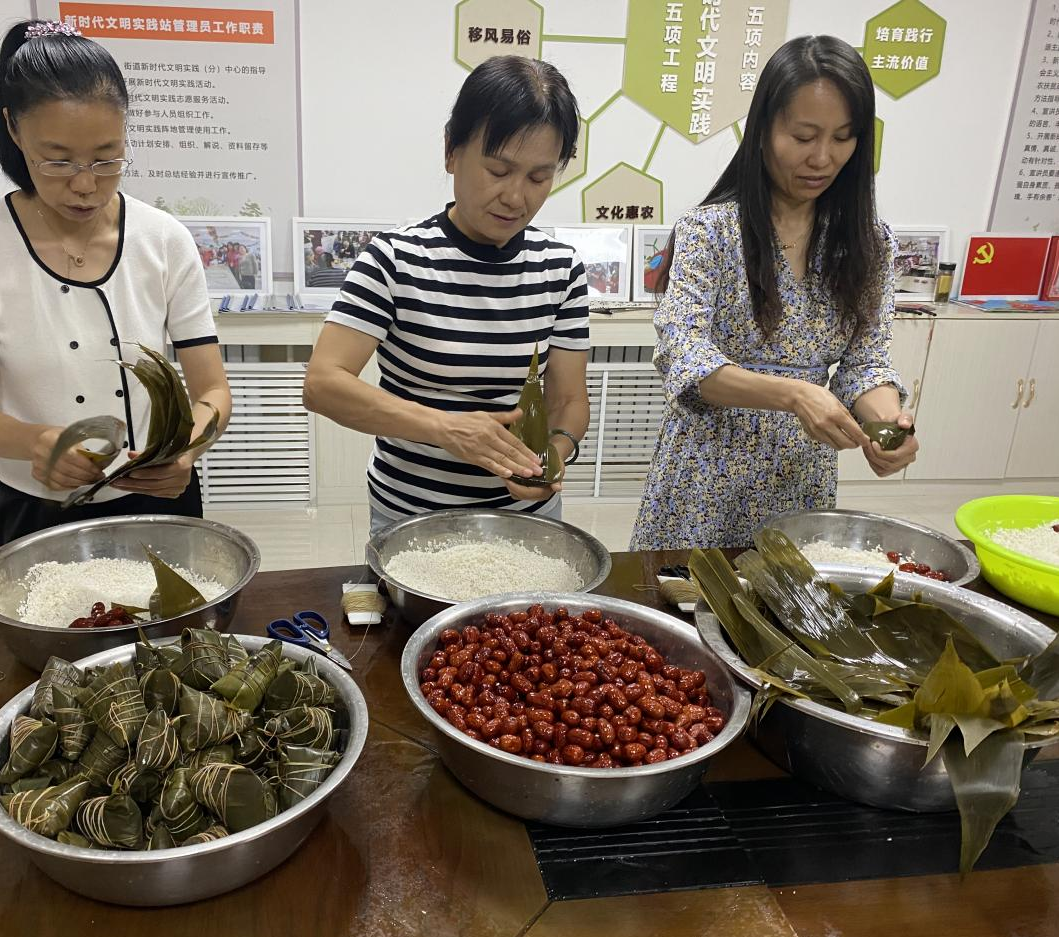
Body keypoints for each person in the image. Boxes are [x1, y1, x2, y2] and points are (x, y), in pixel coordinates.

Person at [0, 20, 231, 548]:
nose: (86, 184)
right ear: (13, 128)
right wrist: (40, 443)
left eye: (107, 158)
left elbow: (212, 390)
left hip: (158, 497)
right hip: (34, 503)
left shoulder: (163, 238)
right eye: (58, 160)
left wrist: (186, 449)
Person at [630, 35, 917, 551]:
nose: (822, 158)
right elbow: (682, 352)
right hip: (704, 470)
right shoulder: (710, 231)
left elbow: (866, 362)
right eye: (803, 136)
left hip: (801, 474)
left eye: (843, 138)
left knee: (786, 597)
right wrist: (795, 394)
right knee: (684, 595)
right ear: (762, 130)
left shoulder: (869, 243)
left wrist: (888, 425)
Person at [303, 55, 590, 534]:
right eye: (498, 170)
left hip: (526, 519)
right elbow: (323, 385)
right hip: (411, 518)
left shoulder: (560, 268)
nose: (516, 197)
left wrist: (552, 457)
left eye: (539, 178)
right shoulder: (394, 258)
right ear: (451, 151)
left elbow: (569, 400)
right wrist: (444, 428)